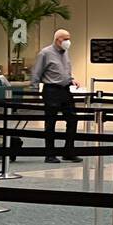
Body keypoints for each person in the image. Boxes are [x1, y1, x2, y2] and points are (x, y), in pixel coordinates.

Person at [30, 28, 80, 164]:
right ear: (57, 40)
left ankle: (68, 151)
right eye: (65, 39)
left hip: (65, 90)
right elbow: (36, 73)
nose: (68, 42)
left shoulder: (66, 53)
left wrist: (71, 79)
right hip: (51, 90)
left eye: (69, 38)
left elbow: (65, 70)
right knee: (51, 122)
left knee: (72, 119)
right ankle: (49, 154)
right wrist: (34, 92)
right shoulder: (45, 53)